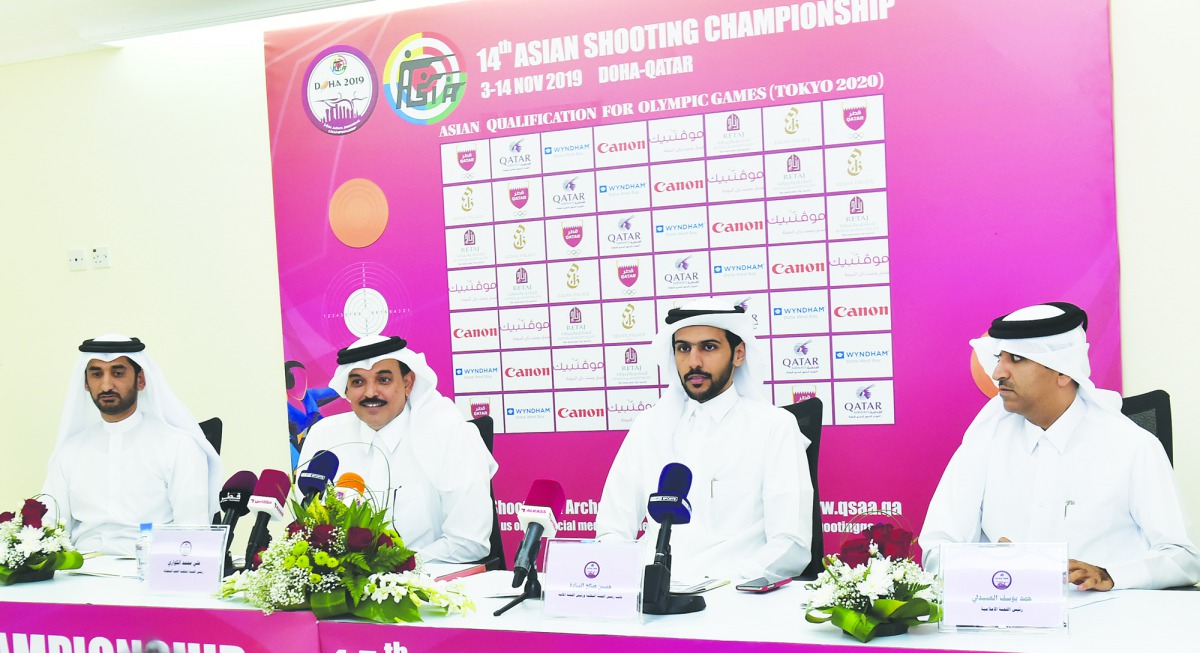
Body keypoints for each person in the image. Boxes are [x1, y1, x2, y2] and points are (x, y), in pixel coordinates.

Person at [920, 302, 1200, 590]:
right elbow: (935, 551)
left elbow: (1183, 558)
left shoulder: (1131, 446)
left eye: (1016, 359)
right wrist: (985, 562)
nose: (997, 373)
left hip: (1108, 621)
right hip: (1005, 620)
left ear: (1064, 372)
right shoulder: (984, 442)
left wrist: (1110, 575)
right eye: (999, 358)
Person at [594, 298, 813, 580]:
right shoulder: (648, 426)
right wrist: (631, 580)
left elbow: (790, 546)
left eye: (708, 347)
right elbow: (613, 529)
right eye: (683, 348)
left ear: (739, 354)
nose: (694, 362)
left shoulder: (773, 426)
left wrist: (729, 586)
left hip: (736, 601)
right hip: (650, 602)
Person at [297, 334, 497, 563]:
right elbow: (308, 527)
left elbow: (469, 542)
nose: (370, 393)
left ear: (408, 383)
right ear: (347, 390)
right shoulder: (325, 435)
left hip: (430, 588)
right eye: (358, 382)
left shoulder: (449, 434)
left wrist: (391, 571)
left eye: (383, 380)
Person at [41, 334, 220, 555]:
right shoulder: (69, 452)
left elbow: (192, 531)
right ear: (86, 384)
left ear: (141, 379)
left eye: (118, 373)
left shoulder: (178, 446)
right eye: (97, 374)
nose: (106, 385)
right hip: (80, 573)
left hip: (151, 574)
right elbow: (50, 527)